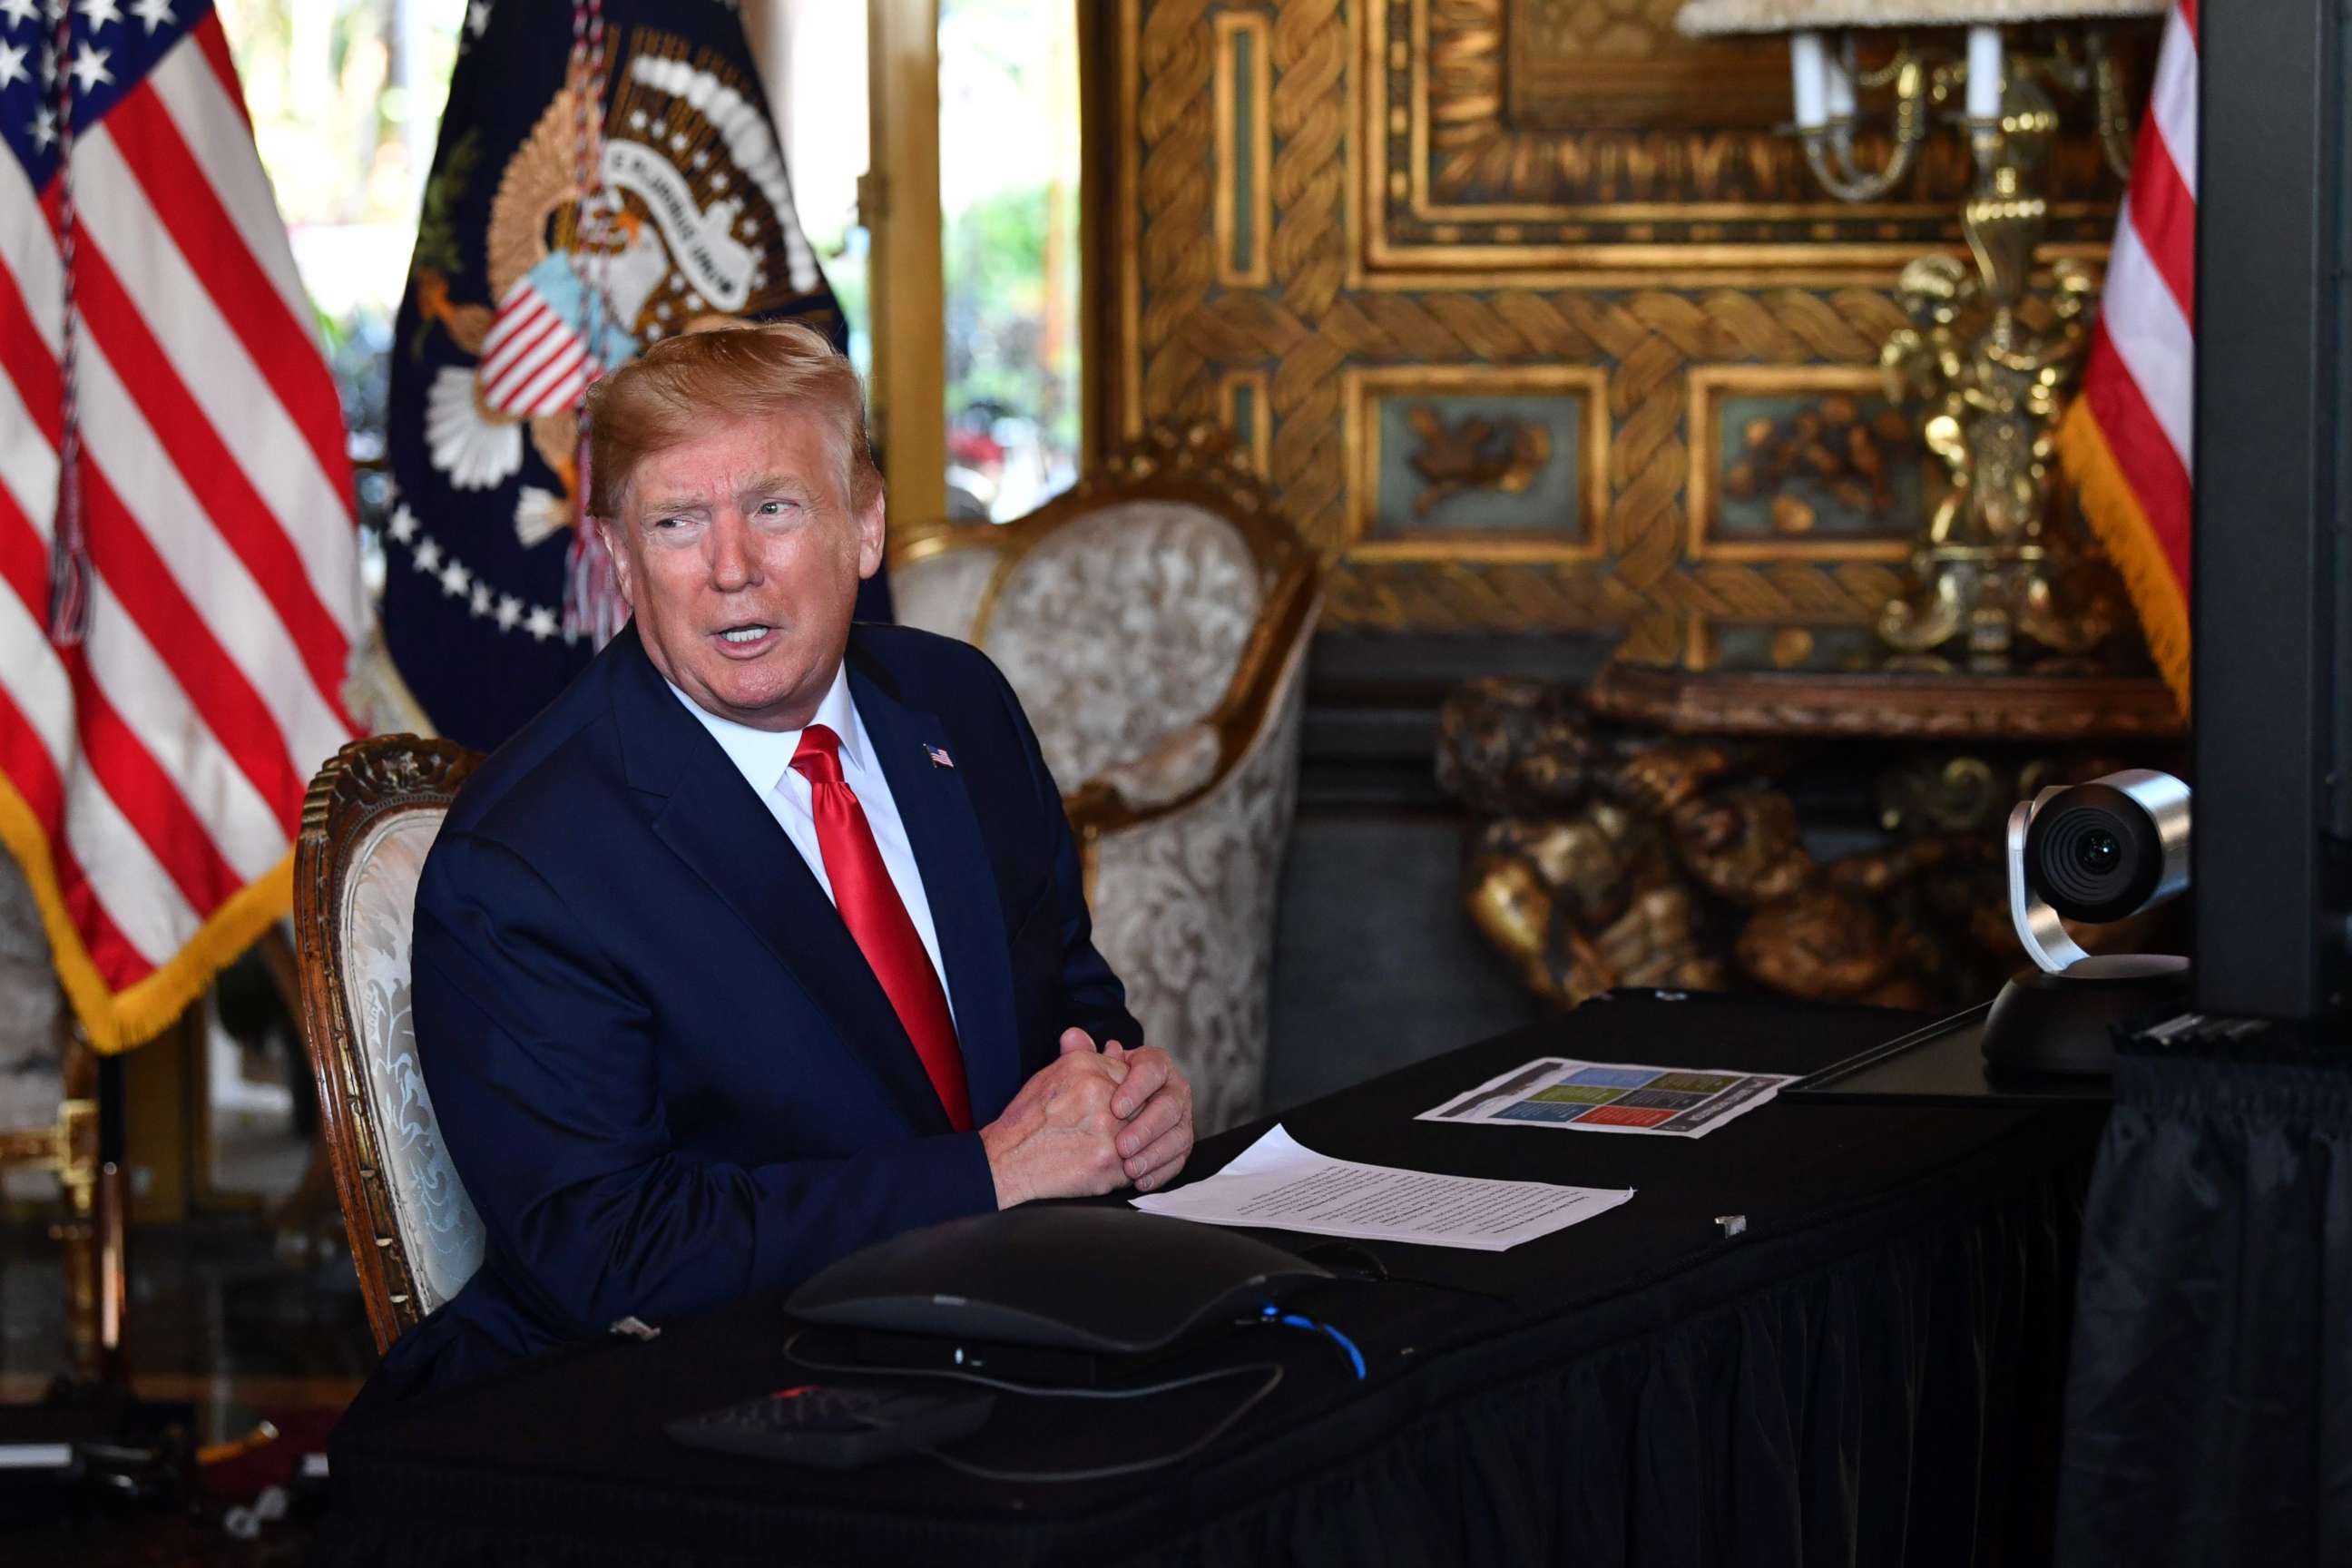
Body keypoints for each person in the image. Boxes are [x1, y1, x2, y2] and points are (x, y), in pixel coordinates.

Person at [386, 323, 1193, 1392]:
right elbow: (608, 1252)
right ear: (623, 561)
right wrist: (988, 1175)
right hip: (677, 1398)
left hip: (1000, 1326)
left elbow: (1069, 1005)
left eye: (774, 508)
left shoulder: (959, 706)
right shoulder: (528, 859)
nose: (731, 569)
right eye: (678, 523)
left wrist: (1126, 1099)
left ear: (864, 526)